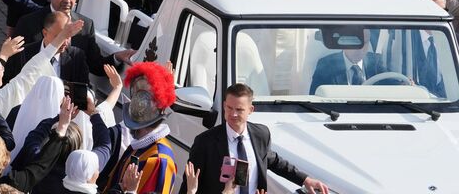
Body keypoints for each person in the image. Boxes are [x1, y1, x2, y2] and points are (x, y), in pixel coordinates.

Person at [180, 83, 329, 193]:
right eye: (229, 108)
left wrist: (306, 180)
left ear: (251, 110)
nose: (233, 114)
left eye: (239, 109)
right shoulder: (205, 142)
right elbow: (189, 185)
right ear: (224, 105)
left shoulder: (261, 134)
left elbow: (275, 161)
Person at [13, 0, 134, 76]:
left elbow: (95, 64)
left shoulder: (86, 25)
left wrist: (117, 57)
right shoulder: (28, 23)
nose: (67, 0)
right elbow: (15, 64)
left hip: (72, 98)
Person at [102, 62, 177, 194]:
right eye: (136, 92)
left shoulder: (160, 159)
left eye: (145, 96)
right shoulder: (139, 145)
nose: (138, 100)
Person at [3, 11, 89, 85]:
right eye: (59, 37)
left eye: (68, 36)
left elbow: (85, 88)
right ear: (45, 33)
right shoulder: (22, 54)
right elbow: (7, 83)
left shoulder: (77, 57)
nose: (65, 42)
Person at [310, 39, 388, 94]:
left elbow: (392, 86)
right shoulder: (326, 66)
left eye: (365, 42)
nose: (360, 48)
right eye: (355, 42)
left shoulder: (376, 62)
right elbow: (315, 98)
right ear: (343, 43)